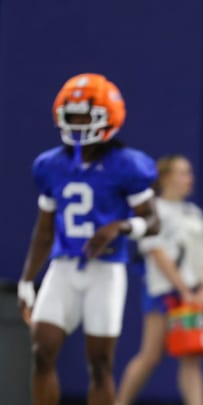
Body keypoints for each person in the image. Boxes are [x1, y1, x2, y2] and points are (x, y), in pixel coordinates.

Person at [17, 73, 160, 405]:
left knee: (100, 364)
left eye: (87, 117)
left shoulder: (126, 165)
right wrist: (28, 279)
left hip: (106, 269)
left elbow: (153, 221)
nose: (79, 125)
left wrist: (120, 227)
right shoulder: (51, 165)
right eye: (73, 117)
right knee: (42, 351)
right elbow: (44, 228)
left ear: (109, 118)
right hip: (64, 266)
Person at [116, 155, 203, 405]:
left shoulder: (193, 212)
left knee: (191, 355)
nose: (189, 178)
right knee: (151, 354)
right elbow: (156, 251)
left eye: (190, 172)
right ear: (166, 177)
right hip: (162, 291)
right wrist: (181, 288)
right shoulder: (153, 209)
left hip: (192, 293)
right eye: (182, 172)